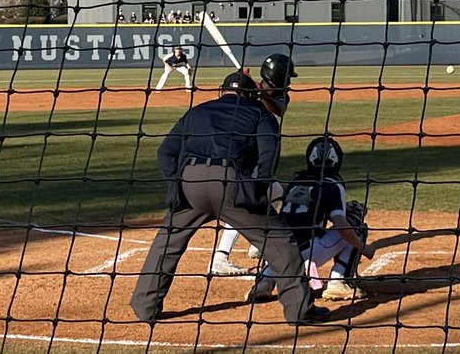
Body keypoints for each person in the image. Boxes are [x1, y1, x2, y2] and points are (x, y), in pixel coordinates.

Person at [130, 72, 329, 326]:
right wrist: (256, 190)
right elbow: (269, 154)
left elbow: (166, 152)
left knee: (167, 242)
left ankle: (145, 308)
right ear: (251, 95)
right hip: (232, 183)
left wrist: (176, 189)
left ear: (221, 91)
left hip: (191, 181)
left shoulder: (196, 112)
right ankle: (300, 311)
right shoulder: (260, 114)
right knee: (279, 241)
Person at [248, 136, 377, 303]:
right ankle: (339, 281)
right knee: (354, 223)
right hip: (309, 252)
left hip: (279, 250)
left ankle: (264, 282)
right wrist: (363, 247)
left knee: (286, 240)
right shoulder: (333, 184)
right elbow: (341, 225)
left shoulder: (295, 180)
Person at [211, 52, 299, 275]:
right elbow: (228, 98)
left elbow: (279, 109)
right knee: (246, 202)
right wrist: (241, 83)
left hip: (258, 154)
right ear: (278, 74)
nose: (288, 81)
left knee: (276, 192)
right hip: (242, 152)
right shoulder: (249, 87)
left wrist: (260, 93)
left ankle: (257, 244)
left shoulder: (280, 94)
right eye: (287, 76)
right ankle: (220, 256)